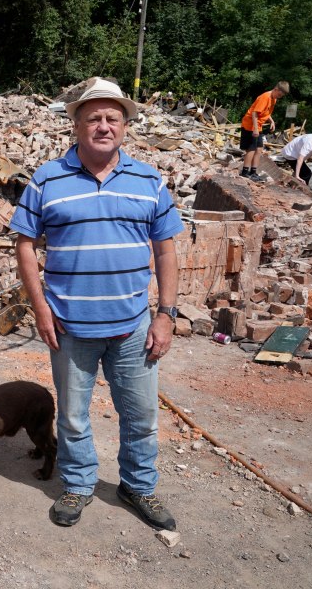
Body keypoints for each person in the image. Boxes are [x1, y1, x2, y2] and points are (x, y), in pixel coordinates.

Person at [10, 78, 184, 530]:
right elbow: (25, 244)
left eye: (112, 118)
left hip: (132, 326)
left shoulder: (148, 179)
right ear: (77, 125)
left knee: (142, 416)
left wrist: (165, 314)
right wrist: (41, 308)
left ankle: (138, 485)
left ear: (125, 125)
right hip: (68, 326)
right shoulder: (48, 178)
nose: (103, 126)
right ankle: (78, 484)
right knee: (71, 416)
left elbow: (166, 249)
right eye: (93, 118)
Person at [239, 81, 289, 181]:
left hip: (258, 125)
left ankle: (253, 172)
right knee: (251, 149)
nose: (279, 97)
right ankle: (245, 172)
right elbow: (254, 113)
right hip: (250, 125)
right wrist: (256, 129)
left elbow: (266, 112)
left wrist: (272, 121)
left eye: (281, 96)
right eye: (279, 94)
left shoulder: (273, 99)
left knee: (259, 149)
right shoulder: (265, 97)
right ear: (276, 89)